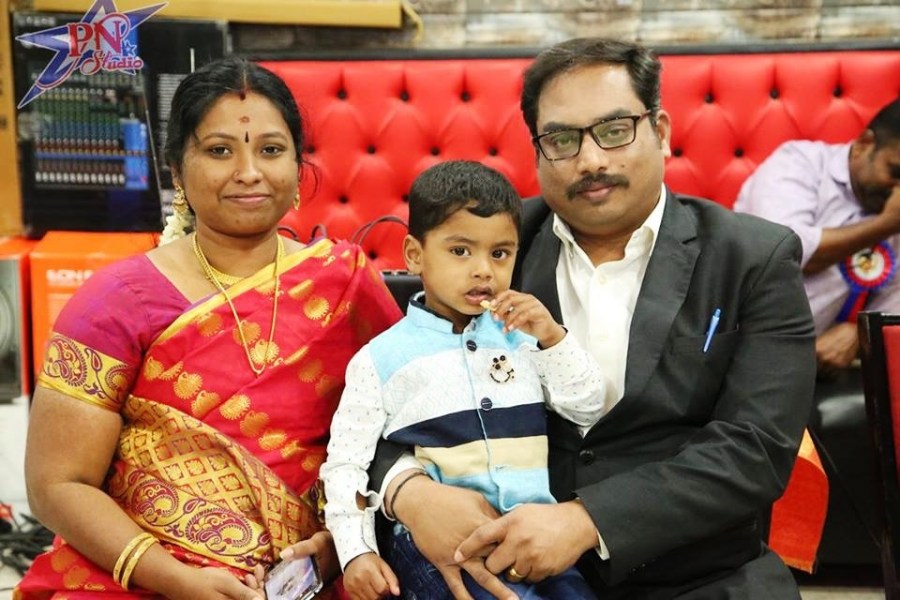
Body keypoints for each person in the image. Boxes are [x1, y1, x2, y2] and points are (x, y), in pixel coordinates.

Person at [372, 38, 817, 599]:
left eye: (614, 130)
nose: (590, 161)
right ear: (537, 151)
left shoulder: (751, 257)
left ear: (661, 131)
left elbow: (756, 448)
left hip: (700, 576)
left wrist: (587, 521)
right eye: (562, 139)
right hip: (506, 576)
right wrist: (407, 491)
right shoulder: (488, 249)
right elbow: (380, 393)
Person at [15, 57, 401, 599]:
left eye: (271, 150)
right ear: (177, 170)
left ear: (297, 166)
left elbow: (407, 438)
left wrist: (344, 544)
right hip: (141, 580)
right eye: (220, 151)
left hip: (314, 581)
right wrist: (176, 580)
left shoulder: (346, 285)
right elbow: (57, 482)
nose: (249, 172)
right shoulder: (114, 302)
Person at [318, 160, 606, 600]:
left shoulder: (524, 340)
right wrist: (356, 552)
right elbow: (346, 464)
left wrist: (553, 338)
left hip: (533, 540)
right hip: (441, 549)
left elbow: (586, 407)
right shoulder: (379, 359)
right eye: (460, 251)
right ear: (414, 254)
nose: (483, 270)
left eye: (500, 253)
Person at [734, 98, 900, 377]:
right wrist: (885, 225)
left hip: (816, 370)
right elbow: (784, 253)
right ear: (864, 144)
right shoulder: (797, 163)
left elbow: (893, 317)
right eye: (895, 172)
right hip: (738, 347)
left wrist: (859, 333)